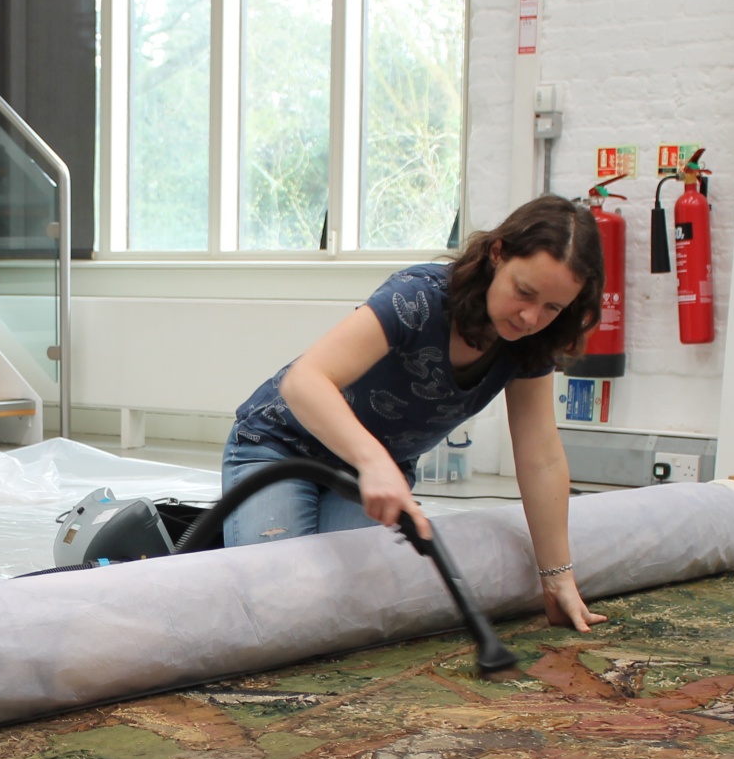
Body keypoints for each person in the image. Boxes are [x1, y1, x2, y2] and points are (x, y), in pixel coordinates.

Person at [222, 194, 610, 632]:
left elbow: (540, 453)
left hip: (369, 477)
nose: (530, 316)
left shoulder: (532, 341)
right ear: (497, 253)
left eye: (552, 308)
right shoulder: (418, 298)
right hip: (279, 449)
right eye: (525, 292)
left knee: (345, 601)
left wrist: (557, 576)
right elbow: (304, 381)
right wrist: (374, 462)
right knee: (275, 597)